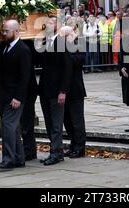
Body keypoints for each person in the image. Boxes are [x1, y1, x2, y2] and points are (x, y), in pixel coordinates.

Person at [0, 20, 32, 170]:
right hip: (4, 95)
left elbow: (25, 76)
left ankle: (8, 159)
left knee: (8, 128)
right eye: (3, 31)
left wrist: (18, 97)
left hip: (15, 97)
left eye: (6, 31)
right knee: (13, 128)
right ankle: (18, 158)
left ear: (16, 31)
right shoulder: (4, 47)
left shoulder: (23, 49)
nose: (3, 34)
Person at [38, 16, 72, 165]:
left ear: (58, 25)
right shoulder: (47, 41)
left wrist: (63, 91)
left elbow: (67, 68)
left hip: (56, 90)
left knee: (56, 124)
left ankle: (56, 153)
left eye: (51, 22)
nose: (48, 25)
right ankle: (56, 151)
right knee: (49, 123)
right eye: (47, 23)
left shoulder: (61, 42)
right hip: (45, 89)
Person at [61, 26, 87, 158]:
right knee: (67, 121)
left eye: (65, 36)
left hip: (75, 89)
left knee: (77, 121)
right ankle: (73, 144)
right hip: (64, 90)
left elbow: (77, 61)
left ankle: (80, 147)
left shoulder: (78, 45)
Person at [21, 40, 39, 162]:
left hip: (28, 89)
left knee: (27, 121)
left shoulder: (27, 45)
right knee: (23, 122)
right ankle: (27, 149)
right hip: (22, 89)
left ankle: (29, 150)